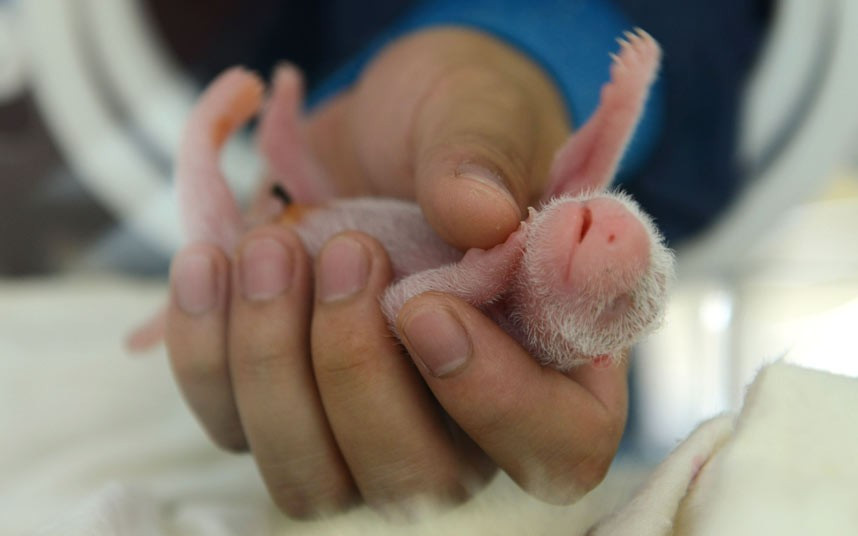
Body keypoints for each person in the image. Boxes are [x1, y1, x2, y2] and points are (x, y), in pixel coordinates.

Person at [161, 0, 769, 518]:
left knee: (227, 242)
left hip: (290, 240)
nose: (617, 239)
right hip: (328, 122)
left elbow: (402, 303)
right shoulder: (538, 216)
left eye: (614, 296)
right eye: (644, 245)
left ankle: (209, 141)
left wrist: (483, 274)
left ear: (599, 354)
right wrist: (614, 91)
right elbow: (590, 166)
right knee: (264, 210)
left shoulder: (504, 314)